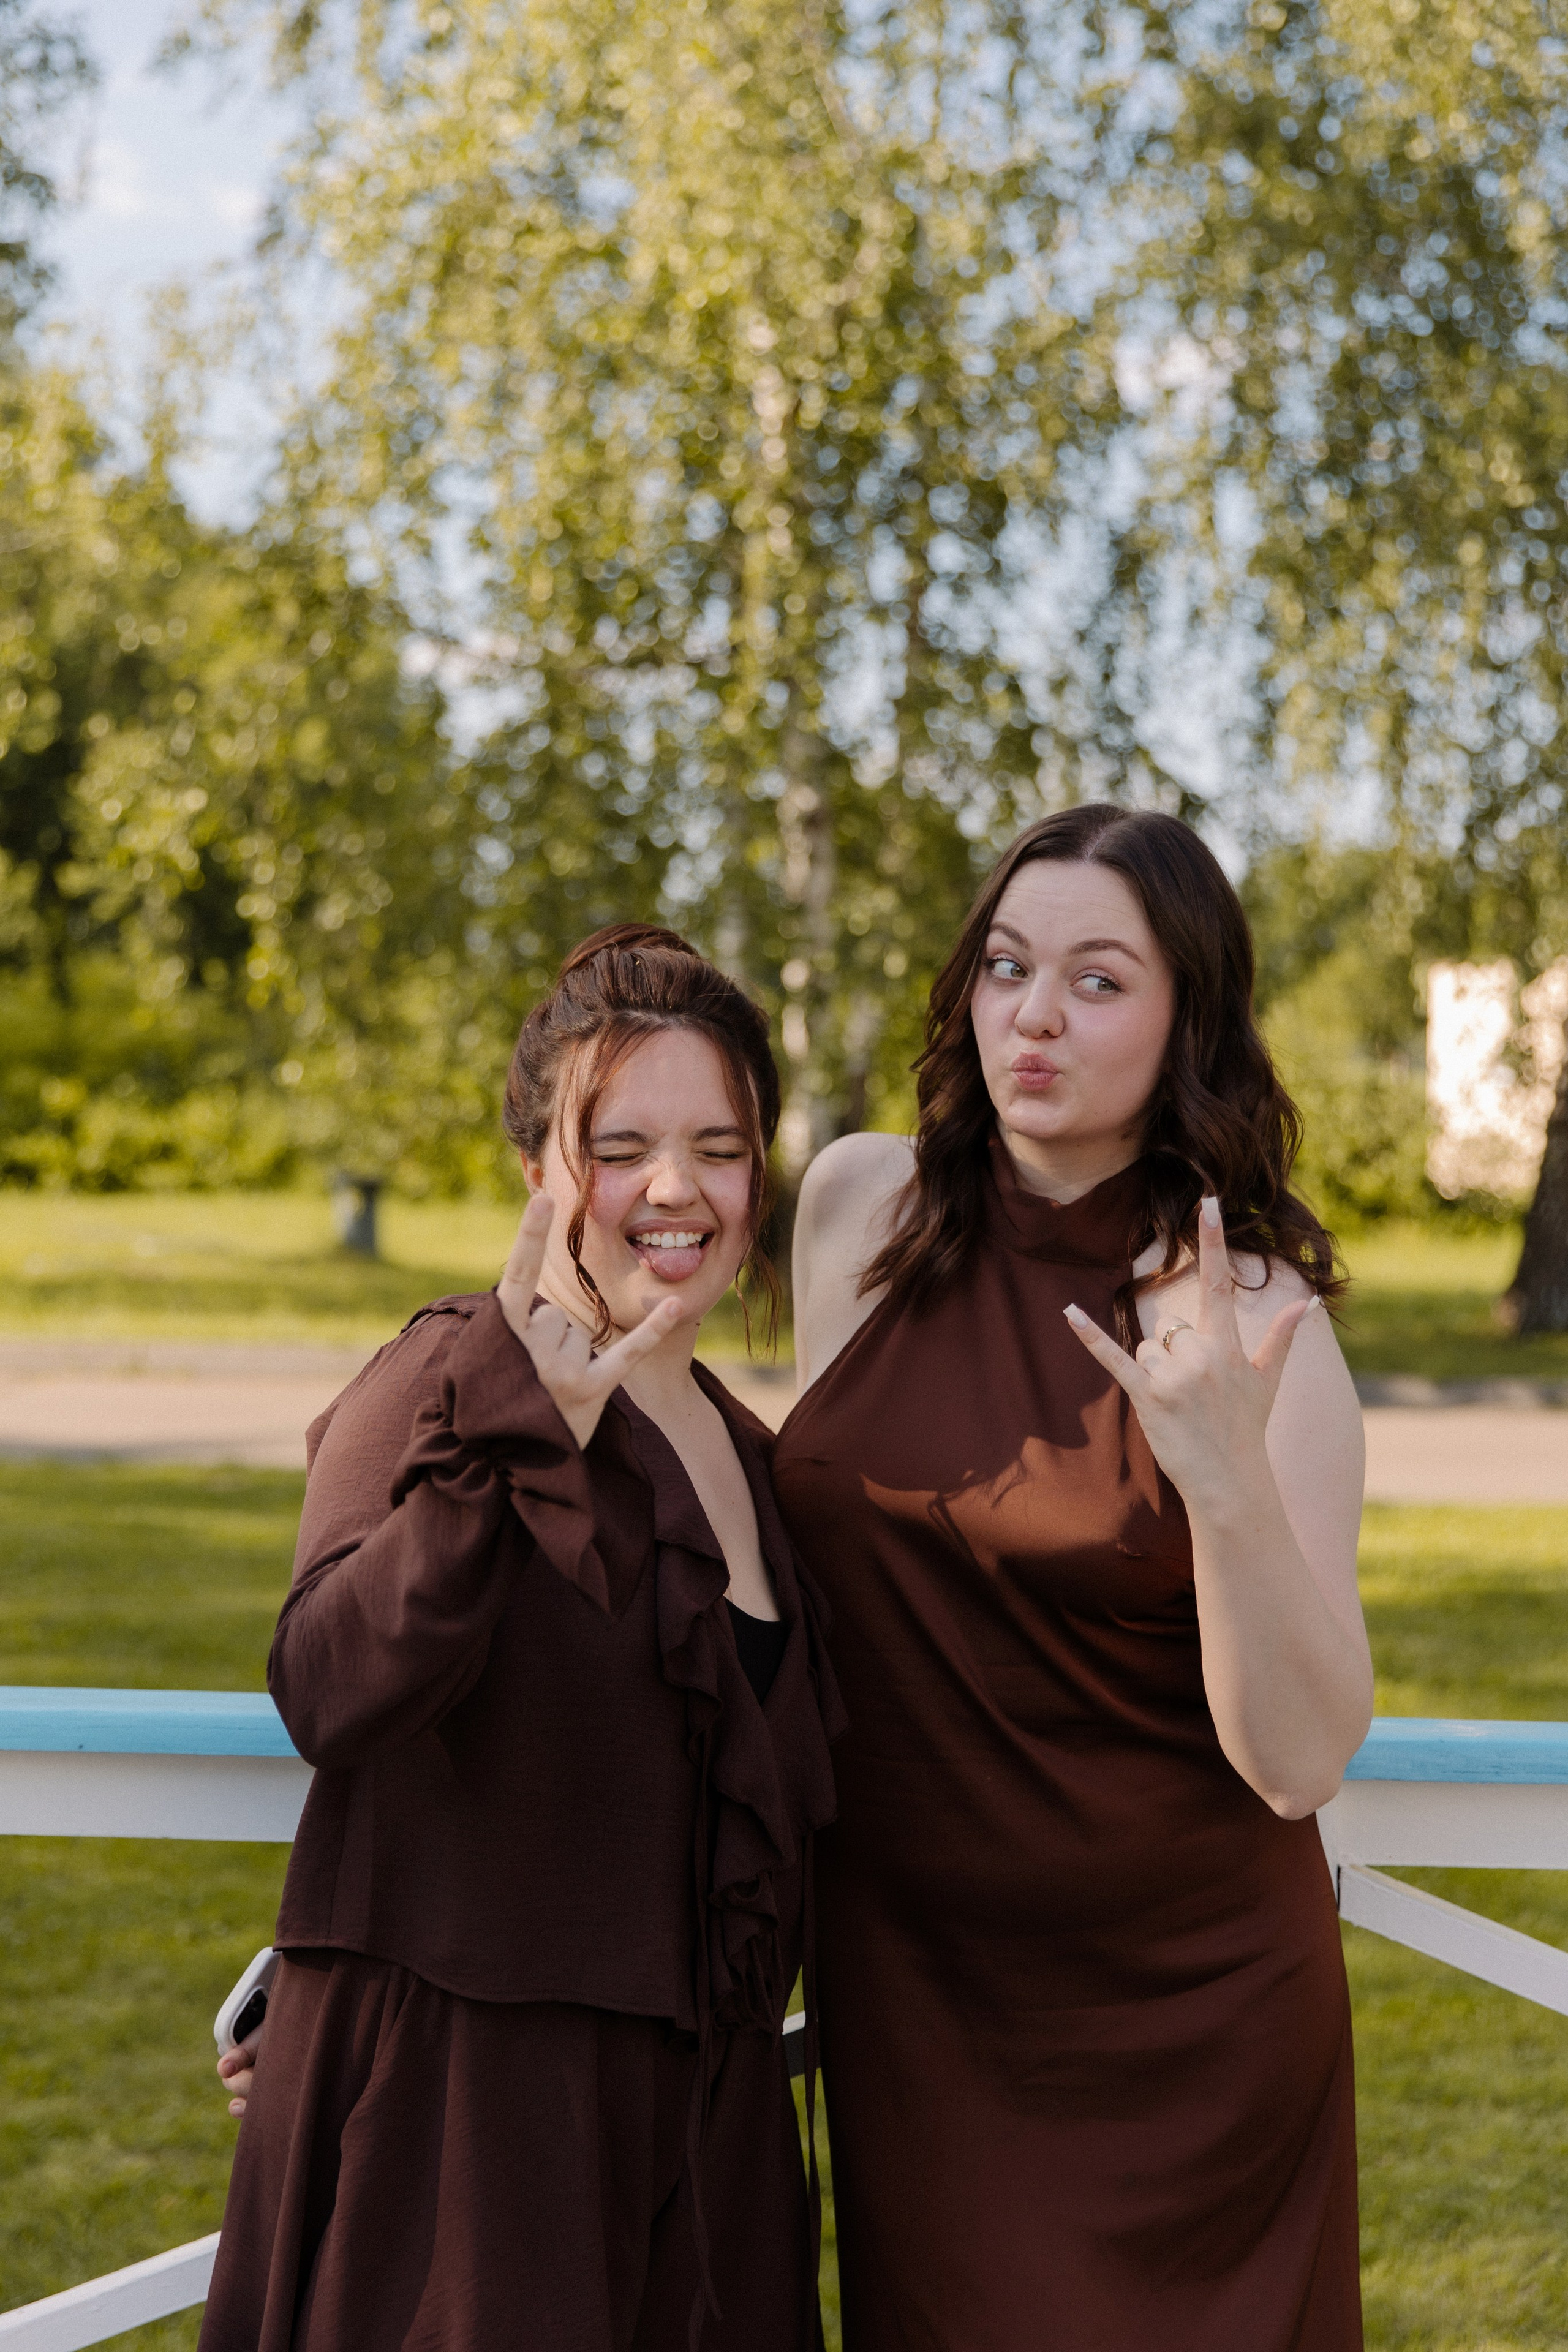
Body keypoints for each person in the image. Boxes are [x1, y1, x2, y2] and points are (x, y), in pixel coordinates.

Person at [774, 804, 1373, 2350]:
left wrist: (1222, 1480)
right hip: (913, 1998)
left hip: (1186, 2021)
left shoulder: (1250, 1317)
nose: (1030, 1017)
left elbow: (1299, 1757)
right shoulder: (854, 1214)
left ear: (1188, 1018)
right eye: (1004, 965)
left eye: (1097, 981)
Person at [200, 925, 844, 2352]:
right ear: (542, 1173)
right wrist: (520, 1436)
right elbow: (329, 1684)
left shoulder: (753, 1454)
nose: (674, 1191)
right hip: (474, 2154)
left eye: (719, 1147)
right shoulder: (446, 1376)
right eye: (620, 1145)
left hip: (706, 2155)